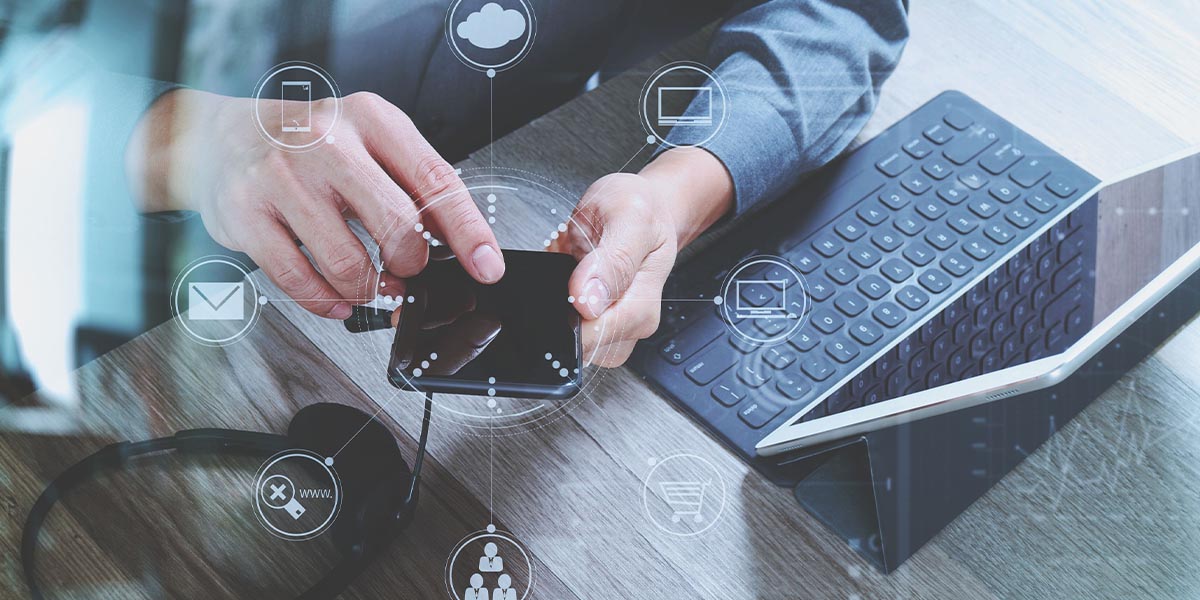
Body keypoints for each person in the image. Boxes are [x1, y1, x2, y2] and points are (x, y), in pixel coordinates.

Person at [125, 0, 910, 368]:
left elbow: (844, 11)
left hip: (546, 152)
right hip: (156, 281)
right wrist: (192, 137)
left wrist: (676, 195)